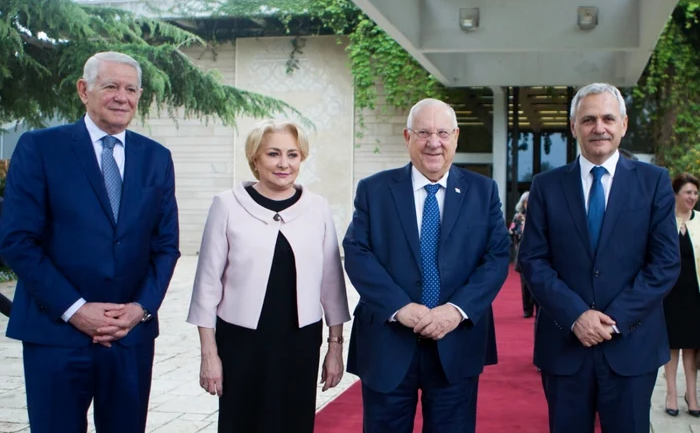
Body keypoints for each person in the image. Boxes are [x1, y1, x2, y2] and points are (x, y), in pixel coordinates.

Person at [0, 51, 180, 433]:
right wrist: (76, 310)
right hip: (57, 334)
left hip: (129, 337)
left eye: (131, 89)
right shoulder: (40, 148)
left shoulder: (156, 158)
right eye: (111, 86)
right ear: (84, 90)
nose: (122, 97)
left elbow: (165, 245)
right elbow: (18, 241)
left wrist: (141, 309)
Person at [518, 83, 679, 433]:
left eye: (608, 118)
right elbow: (533, 260)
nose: (599, 127)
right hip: (564, 344)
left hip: (631, 345)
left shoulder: (654, 182)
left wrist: (613, 319)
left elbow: (665, 263)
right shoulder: (546, 185)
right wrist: (577, 315)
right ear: (574, 126)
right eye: (588, 119)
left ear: (623, 124)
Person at [343, 98, 510, 433]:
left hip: (456, 342)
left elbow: (496, 257)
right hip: (389, 340)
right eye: (423, 132)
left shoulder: (483, 191)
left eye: (443, 133)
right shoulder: (374, 190)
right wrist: (400, 307)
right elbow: (357, 251)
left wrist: (456, 310)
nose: (434, 142)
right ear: (407, 137)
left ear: (456, 137)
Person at [187, 120, 351, 433]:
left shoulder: (317, 208)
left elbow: (332, 285)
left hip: (300, 341)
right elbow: (206, 286)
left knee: (294, 423)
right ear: (255, 159)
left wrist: (334, 347)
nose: (283, 163)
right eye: (273, 154)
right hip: (241, 341)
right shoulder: (226, 205)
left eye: (292, 154)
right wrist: (209, 355)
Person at [663, 173, 700, 417]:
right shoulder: (664, 221)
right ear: (676, 194)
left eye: (695, 193)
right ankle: (671, 394)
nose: (692, 197)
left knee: (692, 347)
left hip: (695, 295)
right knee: (671, 346)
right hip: (669, 294)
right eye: (688, 192)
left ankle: (692, 396)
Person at [510, 191, 535, 318]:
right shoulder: (518, 217)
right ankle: (527, 309)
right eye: (526, 202)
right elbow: (512, 234)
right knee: (525, 283)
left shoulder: (540, 214)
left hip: (537, 252)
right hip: (522, 252)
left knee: (539, 280)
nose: (528, 204)